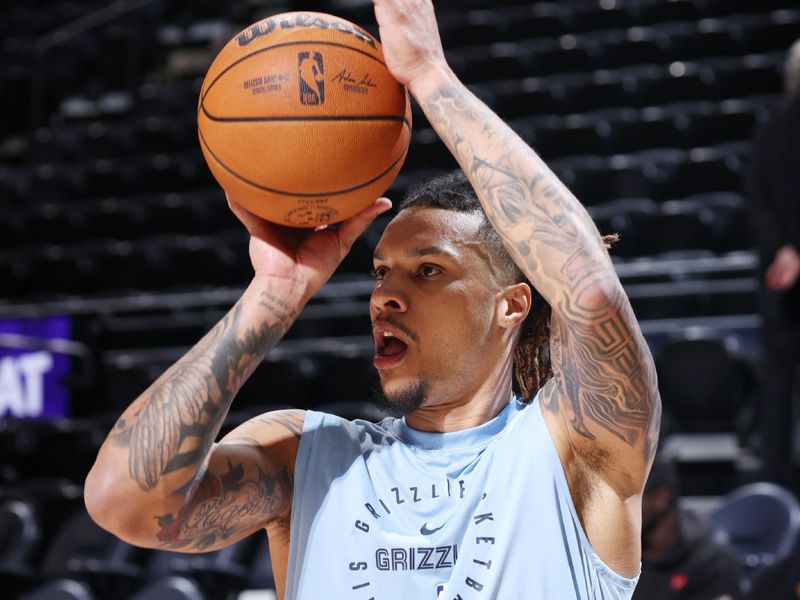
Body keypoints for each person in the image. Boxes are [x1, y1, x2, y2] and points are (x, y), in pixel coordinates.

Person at [84, 1, 661, 598]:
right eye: (380, 272)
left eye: (428, 270)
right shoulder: (305, 453)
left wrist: (432, 79)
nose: (385, 294)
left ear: (512, 304)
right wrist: (273, 296)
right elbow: (122, 503)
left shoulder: (574, 448)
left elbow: (589, 288)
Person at [744, 39, 800, 488]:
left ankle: (775, 478)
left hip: (778, 277)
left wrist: (782, 248)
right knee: (778, 382)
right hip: (787, 274)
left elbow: (757, 203)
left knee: (778, 382)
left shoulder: (770, 129)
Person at [633, 456, 741, 600]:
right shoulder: (612, 556)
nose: (619, 511)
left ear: (661, 499)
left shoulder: (712, 564)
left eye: (629, 498)